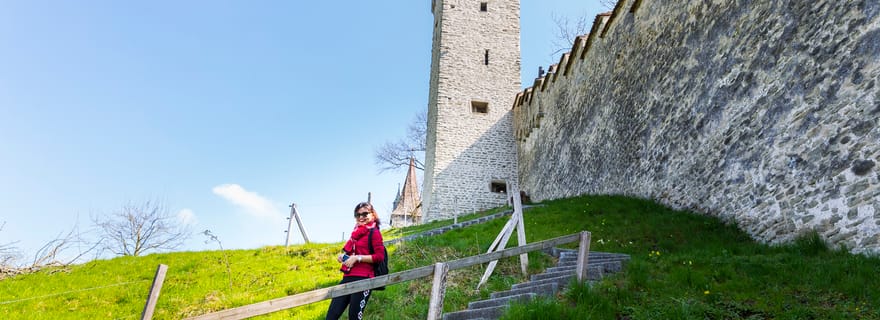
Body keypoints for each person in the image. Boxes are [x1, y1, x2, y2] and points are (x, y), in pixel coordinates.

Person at [325, 202, 386, 320]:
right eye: (357, 215)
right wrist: (344, 257)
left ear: (372, 214)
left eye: (365, 214)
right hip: (348, 277)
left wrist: (357, 258)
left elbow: (379, 256)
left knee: (354, 317)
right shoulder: (355, 234)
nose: (361, 217)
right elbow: (352, 252)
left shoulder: (374, 233)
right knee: (331, 316)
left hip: (364, 279)